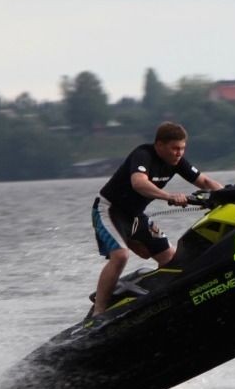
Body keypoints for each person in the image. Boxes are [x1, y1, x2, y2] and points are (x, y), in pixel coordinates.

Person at [90, 122, 223, 316]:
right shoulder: (143, 155)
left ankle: (157, 300)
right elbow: (139, 183)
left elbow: (204, 182)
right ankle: (99, 312)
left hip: (136, 217)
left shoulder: (177, 162)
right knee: (120, 255)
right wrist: (169, 196)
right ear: (159, 145)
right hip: (110, 211)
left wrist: (232, 195)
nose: (179, 153)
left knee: (171, 259)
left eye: (182, 148)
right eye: (175, 148)